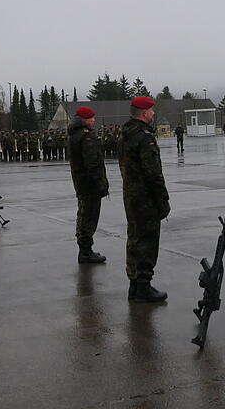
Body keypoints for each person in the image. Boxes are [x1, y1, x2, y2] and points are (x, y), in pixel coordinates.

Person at [118, 96, 170, 303]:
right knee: (147, 241)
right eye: (151, 110)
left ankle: (134, 285)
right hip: (145, 197)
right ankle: (143, 287)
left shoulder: (126, 133)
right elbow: (153, 172)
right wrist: (162, 199)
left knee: (134, 239)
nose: (154, 114)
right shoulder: (144, 137)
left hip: (131, 195)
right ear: (144, 112)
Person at [68, 106, 109, 264]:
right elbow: (92, 163)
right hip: (89, 185)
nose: (94, 120)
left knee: (83, 215)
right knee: (89, 217)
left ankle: (85, 249)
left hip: (81, 183)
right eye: (91, 117)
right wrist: (99, 184)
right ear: (84, 119)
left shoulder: (75, 135)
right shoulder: (86, 137)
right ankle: (86, 251)